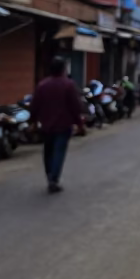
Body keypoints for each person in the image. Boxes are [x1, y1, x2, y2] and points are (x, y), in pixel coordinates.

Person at [29, 57, 86, 194]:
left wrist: (33, 122)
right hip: (63, 125)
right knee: (58, 152)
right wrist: (79, 123)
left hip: (46, 125)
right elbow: (75, 107)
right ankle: (53, 179)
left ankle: (50, 176)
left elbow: (35, 106)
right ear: (63, 69)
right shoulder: (68, 85)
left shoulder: (42, 85)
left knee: (48, 152)